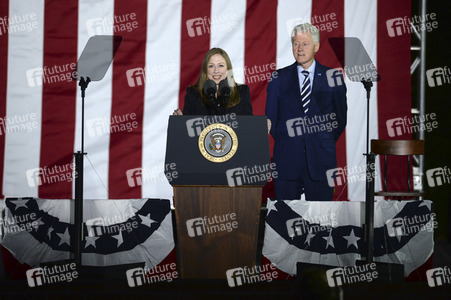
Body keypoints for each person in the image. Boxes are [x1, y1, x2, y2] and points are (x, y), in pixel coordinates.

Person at [265, 23, 347, 201]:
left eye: (305, 43)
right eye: (296, 43)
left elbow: (340, 119)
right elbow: (271, 119)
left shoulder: (333, 77)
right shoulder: (278, 78)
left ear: (316, 47)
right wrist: (287, 138)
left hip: (321, 160)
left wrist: (322, 139)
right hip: (287, 159)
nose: (300, 48)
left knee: (319, 223)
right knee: (285, 220)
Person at [173, 47, 253, 116]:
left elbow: (249, 124)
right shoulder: (193, 94)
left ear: (227, 68)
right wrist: (181, 120)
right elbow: (188, 127)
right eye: (211, 66)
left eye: (220, 65)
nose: (216, 71)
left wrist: (263, 125)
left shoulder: (242, 91)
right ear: (205, 69)